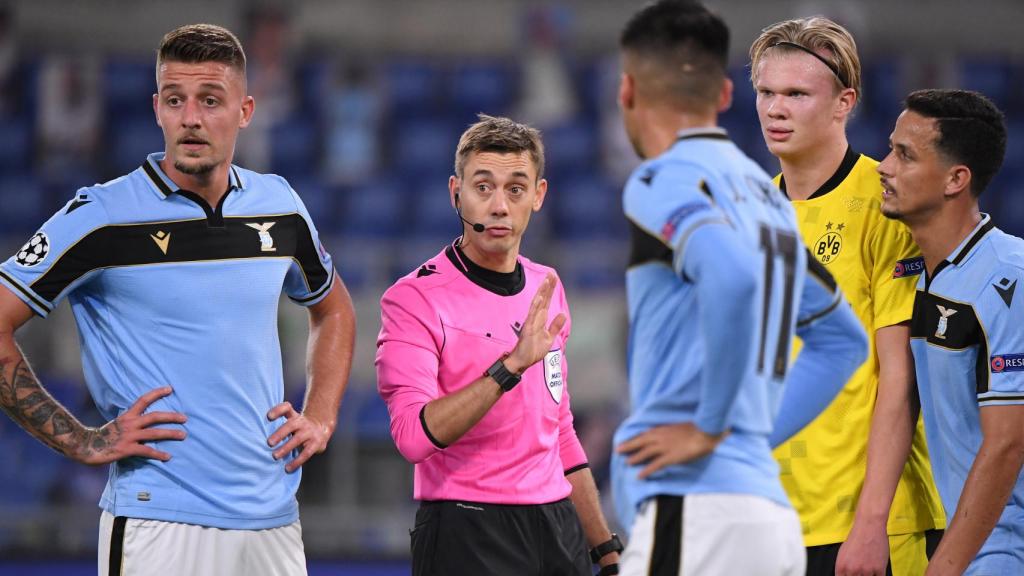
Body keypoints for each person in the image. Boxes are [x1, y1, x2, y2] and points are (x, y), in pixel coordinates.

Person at [0, 24, 355, 575]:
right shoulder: (101, 217)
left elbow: (333, 309)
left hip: (274, 523)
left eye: (210, 100)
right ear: (157, 110)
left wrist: (322, 416)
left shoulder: (280, 206)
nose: (191, 117)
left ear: (245, 110)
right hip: (157, 524)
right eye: (175, 100)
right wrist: (81, 442)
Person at [609, 2, 868, 574]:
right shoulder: (766, 197)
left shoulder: (665, 177)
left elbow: (729, 277)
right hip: (768, 513)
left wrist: (710, 429)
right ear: (726, 96)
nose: (777, 108)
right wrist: (745, 436)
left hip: (696, 508)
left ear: (627, 90)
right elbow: (844, 341)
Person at [376, 114, 621, 576]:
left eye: (515, 188)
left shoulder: (546, 287)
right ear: (456, 193)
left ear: (538, 197)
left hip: (557, 527)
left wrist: (604, 550)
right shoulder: (413, 298)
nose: (499, 206)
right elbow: (412, 437)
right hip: (467, 528)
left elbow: (560, 432)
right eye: (483, 187)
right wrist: (509, 367)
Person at [749, 17, 946, 575]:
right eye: (765, 92)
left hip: (866, 525)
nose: (774, 109)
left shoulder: (888, 206)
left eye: (796, 94)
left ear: (844, 102)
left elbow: (899, 380)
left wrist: (871, 524)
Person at [878, 89, 1024, 575]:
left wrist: (944, 568)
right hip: (961, 546)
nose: (883, 167)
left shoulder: (1010, 276)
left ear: (955, 179)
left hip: (1002, 552)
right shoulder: (916, 274)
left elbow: (1008, 445)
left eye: (904, 155)